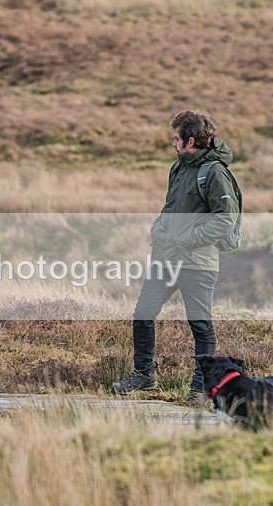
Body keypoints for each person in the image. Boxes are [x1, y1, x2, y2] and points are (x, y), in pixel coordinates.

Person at [112, 110, 240, 401]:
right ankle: (144, 375)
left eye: (176, 138)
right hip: (166, 260)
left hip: (198, 263)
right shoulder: (178, 168)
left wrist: (188, 240)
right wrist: (158, 229)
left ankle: (200, 389)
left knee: (200, 325)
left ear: (190, 141)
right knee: (143, 313)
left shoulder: (216, 173)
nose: (173, 143)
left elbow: (225, 220)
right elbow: (169, 207)